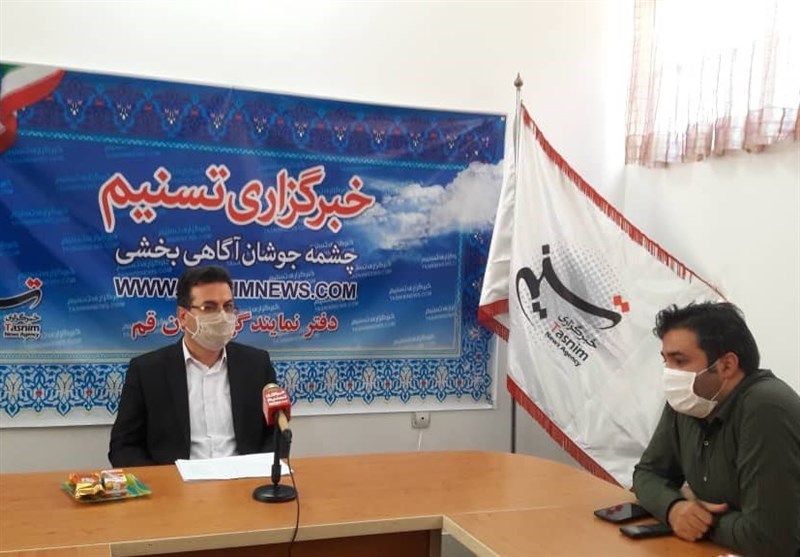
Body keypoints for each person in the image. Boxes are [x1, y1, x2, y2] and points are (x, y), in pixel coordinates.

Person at [633, 302, 800, 557]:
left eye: (679, 360)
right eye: (666, 361)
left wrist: (701, 520)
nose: (669, 373)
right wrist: (675, 508)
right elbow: (647, 473)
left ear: (727, 365)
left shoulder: (766, 407)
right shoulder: (688, 400)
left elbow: (770, 540)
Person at [109, 265, 277, 467]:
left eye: (228, 306)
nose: (222, 316)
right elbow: (123, 447)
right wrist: (163, 481)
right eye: (209, 307)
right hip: (175, 482)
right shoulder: (147, 371)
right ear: (183, 317)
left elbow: (277, 434)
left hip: (244, 481)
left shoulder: (256, 364)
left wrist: (255, 474)